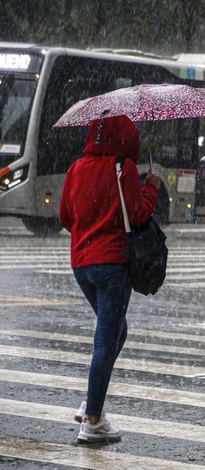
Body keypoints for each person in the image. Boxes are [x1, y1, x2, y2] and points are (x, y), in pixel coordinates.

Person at [59, 115, 160, 442]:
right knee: (106, 340)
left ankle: (92, 398)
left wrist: (88, 229)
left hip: (81, 265)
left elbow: (65, 217)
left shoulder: (76, 168)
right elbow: (139, 214)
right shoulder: (122, 166)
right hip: (112, 264)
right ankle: (93, 420)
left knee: (117, 331)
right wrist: (151, 188)